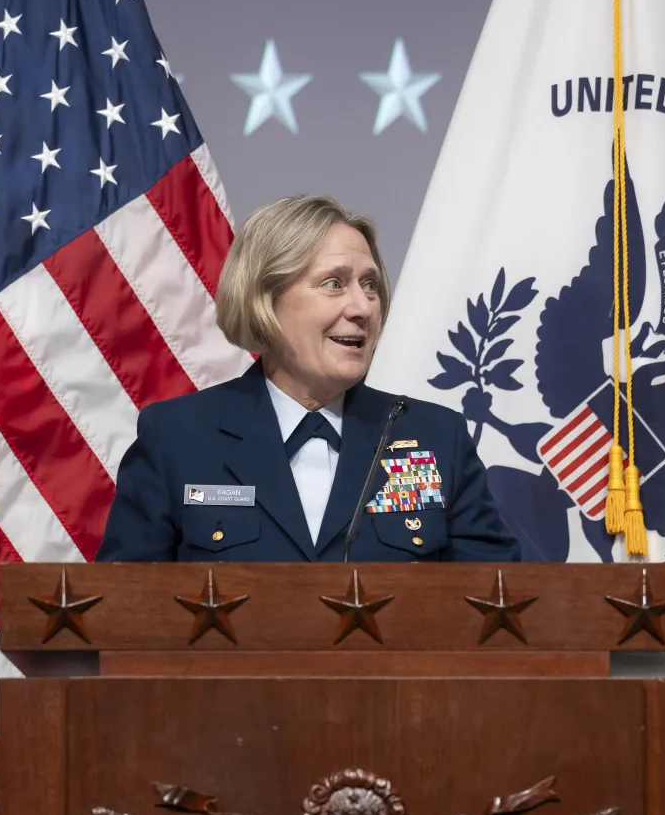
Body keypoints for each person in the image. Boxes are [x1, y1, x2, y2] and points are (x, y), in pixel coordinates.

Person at [96, 195, 520, 563]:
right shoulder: (177, 438)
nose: (363, 307)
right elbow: (124, 610)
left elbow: (497, 602)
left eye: (370, 286)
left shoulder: (435, 437)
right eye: (334, 284)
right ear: (266, 299)